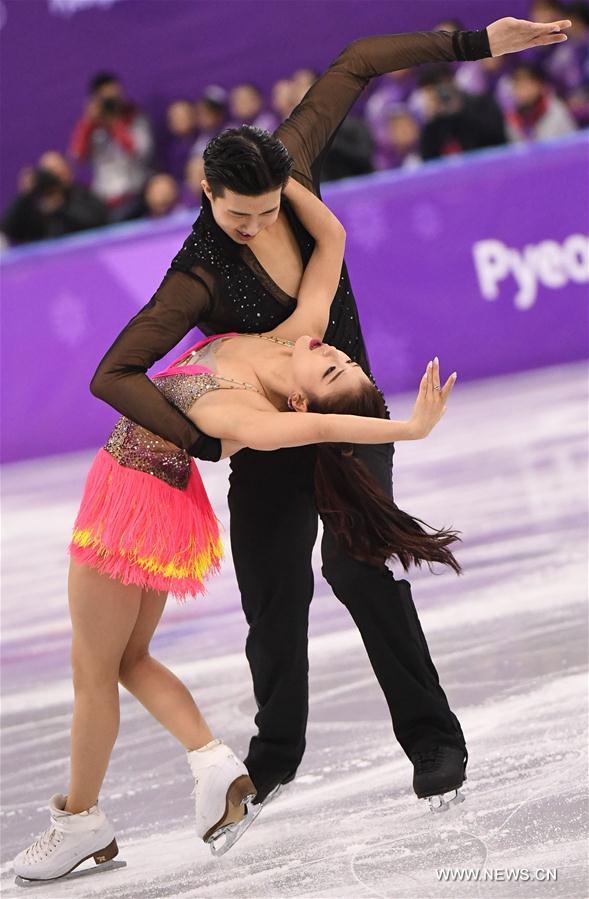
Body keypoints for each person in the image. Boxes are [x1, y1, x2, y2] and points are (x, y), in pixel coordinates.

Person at [78, 13, 573, 835]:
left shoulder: (290, 165)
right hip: (264, 432)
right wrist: (207, 440)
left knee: (356, 563)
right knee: (272, 589)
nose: (256, 225)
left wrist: (473, 45)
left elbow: (356, 62)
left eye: (269, 210)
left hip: (346, 409)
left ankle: (432, 739)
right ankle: (274, 756)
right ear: (207, 194)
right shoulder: (197, 275)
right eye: (239, 217)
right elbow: (113, 374)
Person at [13, 174, 457, 884]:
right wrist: (281, 175)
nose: (332, 349)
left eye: (332, 367)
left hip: (126, 503)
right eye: (340, 357)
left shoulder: (250, 415)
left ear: (299, 397)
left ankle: (83, 820)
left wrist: (408, 428)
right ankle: (207, 764)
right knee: (128, 660)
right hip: (156, 503)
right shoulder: (283, 342)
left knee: (92, 673)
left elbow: (314, 427)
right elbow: (331, 246)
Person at [69, 72, 154, 223]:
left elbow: (140, 152)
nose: (112, 102)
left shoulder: (135, 118)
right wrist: (87, 123)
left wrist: (114, 123)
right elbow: (77, 157)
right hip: (104, 201)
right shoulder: (90, 126)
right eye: (106, 99)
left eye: (116, 96)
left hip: (134, 196)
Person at [0, 151, 107, 245]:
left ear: (68, 172)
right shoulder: (35, 208)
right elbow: (9, 229)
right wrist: (25, 195)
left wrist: (60, 207)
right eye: (47, 172)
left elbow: (97, 222)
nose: (51, 177)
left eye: (56, 171)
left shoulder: (82, 196)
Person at [506, 62, 578, 140]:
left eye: (526, 83)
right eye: (517, 84)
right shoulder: (512, 119)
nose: (522, 90)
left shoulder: (555, 110)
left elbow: (571, 141)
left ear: (539, 84)